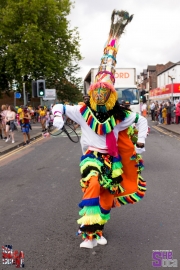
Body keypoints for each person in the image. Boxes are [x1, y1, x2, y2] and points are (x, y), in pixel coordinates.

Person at [52, 10, 148, 249]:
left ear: (112, 93)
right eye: (98, 91)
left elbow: (141, 121)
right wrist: (56, 117)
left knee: (106, 197)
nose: (101, 95)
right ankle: (87, 235)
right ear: (93, 92)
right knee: (93, 184)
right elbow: (59, 106)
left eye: (106, 91)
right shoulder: (83, 111)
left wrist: (141, 142)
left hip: (112, 159)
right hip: (92, 156)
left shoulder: (121, 115)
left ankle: (99, 230)